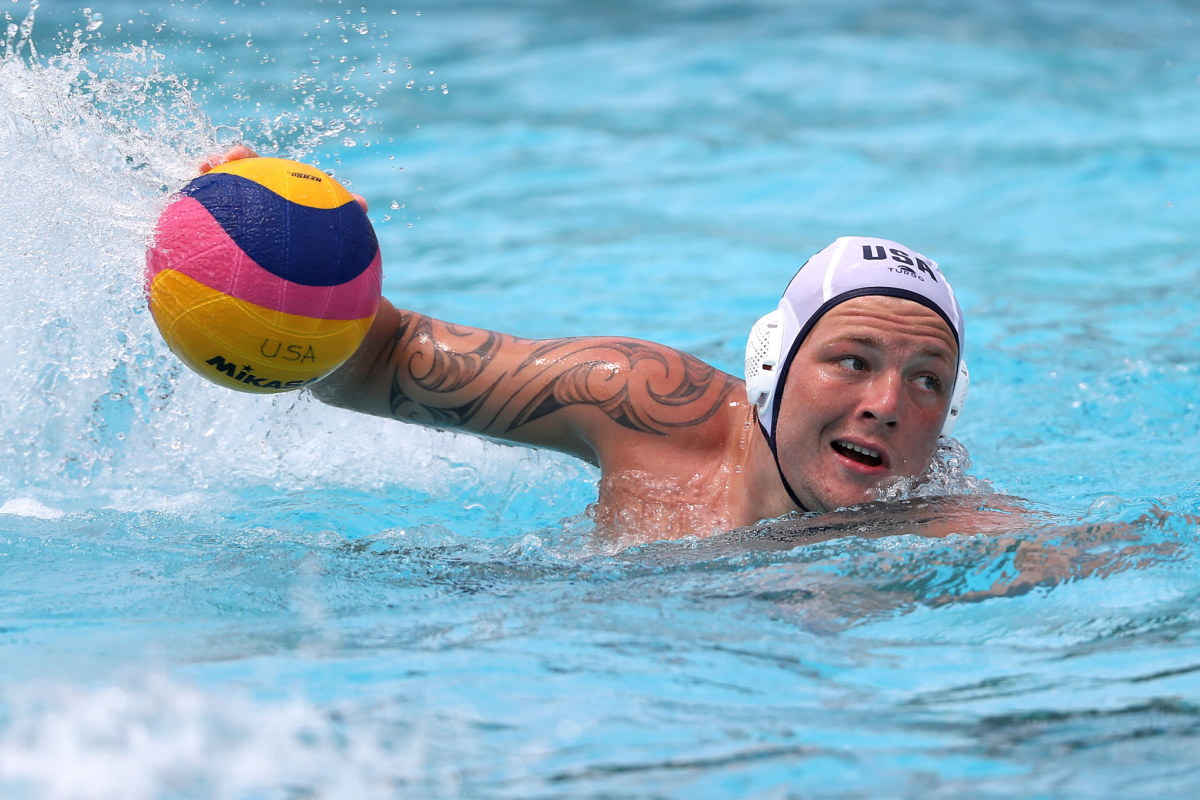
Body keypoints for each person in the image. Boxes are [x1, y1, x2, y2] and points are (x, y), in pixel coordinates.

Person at [200, 147, 970, 541]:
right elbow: (370, 363)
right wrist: (305, 275)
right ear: (770, 363)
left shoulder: (942, 530)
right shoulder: (641, 401)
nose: (886, 405)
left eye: (928, 380)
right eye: (852, 361)